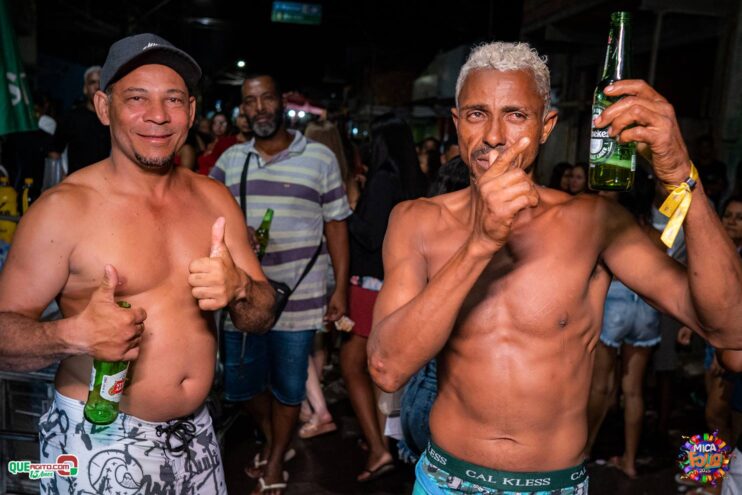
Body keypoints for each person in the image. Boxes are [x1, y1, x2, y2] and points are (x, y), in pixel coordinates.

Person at [367, 41, 742, 495]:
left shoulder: (593, 222)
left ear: (546, 126)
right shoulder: (416, 220)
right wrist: (481, 243)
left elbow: (731, 328)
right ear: (457, 122)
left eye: (515, 115)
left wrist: (683, 177)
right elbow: (387, 367)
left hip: (554, 485)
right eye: (477, 114)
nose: (494, 135)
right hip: (446, 480)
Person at [0, 33, 276, 495]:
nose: (158, 115)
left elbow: (262, 316)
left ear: (191, 110)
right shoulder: (62, 211)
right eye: (136, 99)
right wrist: (73, 335)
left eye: (173, 99)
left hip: (197, 436)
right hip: (97, 438)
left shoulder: (215, 199)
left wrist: (242, 289)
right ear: (104, 107)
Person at [209, 72, 351, 495]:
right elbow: (203, 213)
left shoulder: (320, 158)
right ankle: (277, 442)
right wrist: (236, 235)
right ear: (242, 109)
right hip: (244, 297)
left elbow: (337, 225)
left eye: (266, 99)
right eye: (250, 102)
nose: (259, 109)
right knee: (240, 385)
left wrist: (340, 289)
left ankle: (274, 465)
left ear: (281, 102)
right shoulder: (231, 160)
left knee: (290, 388)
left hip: (301, 296)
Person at [341, 112, 427, 482]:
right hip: (397, 281)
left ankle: (379, 449)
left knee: (354, 365)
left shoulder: (382, 179)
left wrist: (349, 207)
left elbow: (370, 235)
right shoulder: (412, 180)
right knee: (383, 368)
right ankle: (383, 441)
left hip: (371, 283)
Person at [49, 65, 111, 174]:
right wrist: (60, 178)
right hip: (76, 182)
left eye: (100, 83)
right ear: (85, 88)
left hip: (104, 181)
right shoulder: (71, 117)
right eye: (92, 82)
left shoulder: (112, 119)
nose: (97, 86)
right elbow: (54, 151)